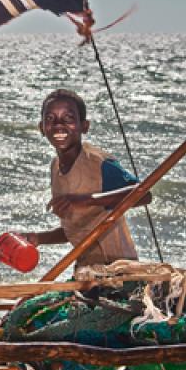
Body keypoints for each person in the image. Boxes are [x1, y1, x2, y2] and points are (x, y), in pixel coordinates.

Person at [16, 89, 150, 273]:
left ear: (84, 126)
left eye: (68, 119)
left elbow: (144, 195)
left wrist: (87, 200)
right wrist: (38, 238)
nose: (59, 125)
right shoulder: (56, 167)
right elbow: (75, 231)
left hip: (119, 270)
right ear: (41, 128)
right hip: (86, 272)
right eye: (50, 119)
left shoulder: (99, 163)